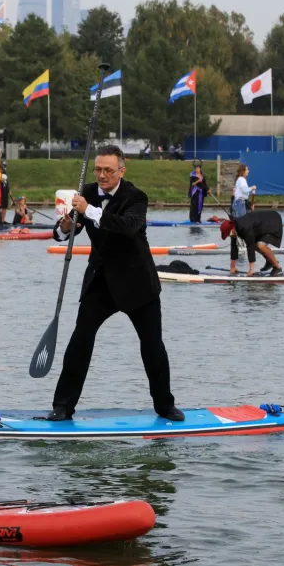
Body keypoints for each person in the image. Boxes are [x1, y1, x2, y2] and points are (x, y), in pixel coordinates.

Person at [48, 144, 183, 422]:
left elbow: (127, 227)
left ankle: (165, 405)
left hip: (138, 283)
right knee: (80, 340)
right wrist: (65, 227)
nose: (102, 175)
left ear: (121, 170)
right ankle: (62, 407)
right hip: (101, 281)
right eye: (98, 169)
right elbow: (64, 232)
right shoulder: (84, 193)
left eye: (108, 170)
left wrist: (90, 211)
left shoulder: (136, 197)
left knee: (152, 345)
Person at [221, 211, 284, 277]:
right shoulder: (234, 227)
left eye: (229, 234)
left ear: (232, 228)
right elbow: (234, 246)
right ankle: (270, 261)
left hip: (273, 222)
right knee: (256, 245)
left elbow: (250, 246)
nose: (229, 235)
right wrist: (232, 267)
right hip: (262, 225)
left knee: (260, 245)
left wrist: (251, 269)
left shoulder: (244, 227)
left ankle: (278, 268)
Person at [0, 161, 11, 229]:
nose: (4, 168)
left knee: (4, 206)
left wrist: (9, 190)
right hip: (0, 191)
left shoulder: (5, 173)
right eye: (3, 166)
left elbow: (7, 182)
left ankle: (3, 220)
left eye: (5, 166)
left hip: (5, 191)